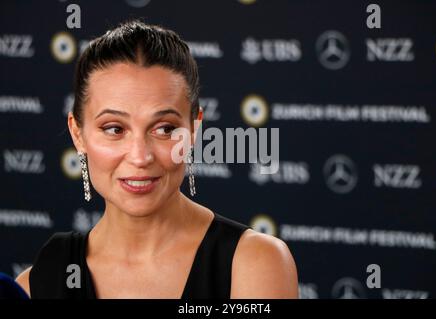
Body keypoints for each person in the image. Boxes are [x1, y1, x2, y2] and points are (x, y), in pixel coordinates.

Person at [15, 20, 299, 299]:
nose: (140, 156)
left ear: (193, 130)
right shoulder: (36, 285)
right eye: (114, 129)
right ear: (78, 134)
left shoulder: (254, 264)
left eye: (164, 129)